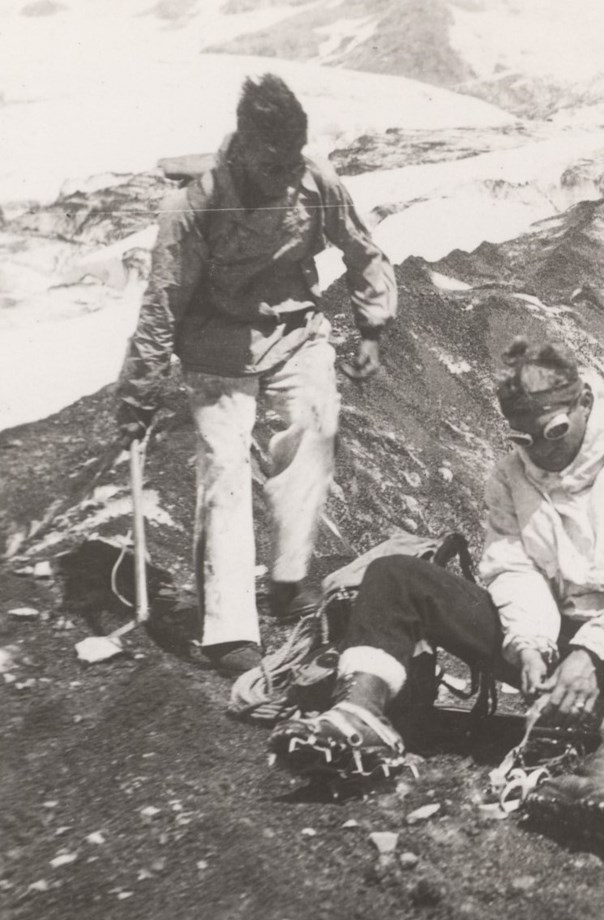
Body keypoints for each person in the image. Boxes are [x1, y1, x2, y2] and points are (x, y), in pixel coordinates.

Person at [269, 338, 604, 844]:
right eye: (525, 436)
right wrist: (529, 644)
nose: (541, 448)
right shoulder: (509, 476)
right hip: (550, 640)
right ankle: (360, 712)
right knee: (396, 576)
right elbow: (512, 567)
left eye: (553, 430)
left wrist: (594, 654)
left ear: (583, 403)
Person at [115, 74, 396, 677]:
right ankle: (228, 629)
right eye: (273, 162)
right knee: (224, 470)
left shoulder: (314, 180)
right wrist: (138, 390)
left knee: (314, 430)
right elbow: (162, 301)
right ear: (243, 146)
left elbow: (361, 249)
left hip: (294, 329)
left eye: (292, 158)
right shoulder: (193, 206)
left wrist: (371, 328)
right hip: (215, 343)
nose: (284, 174)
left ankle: (289, 579)